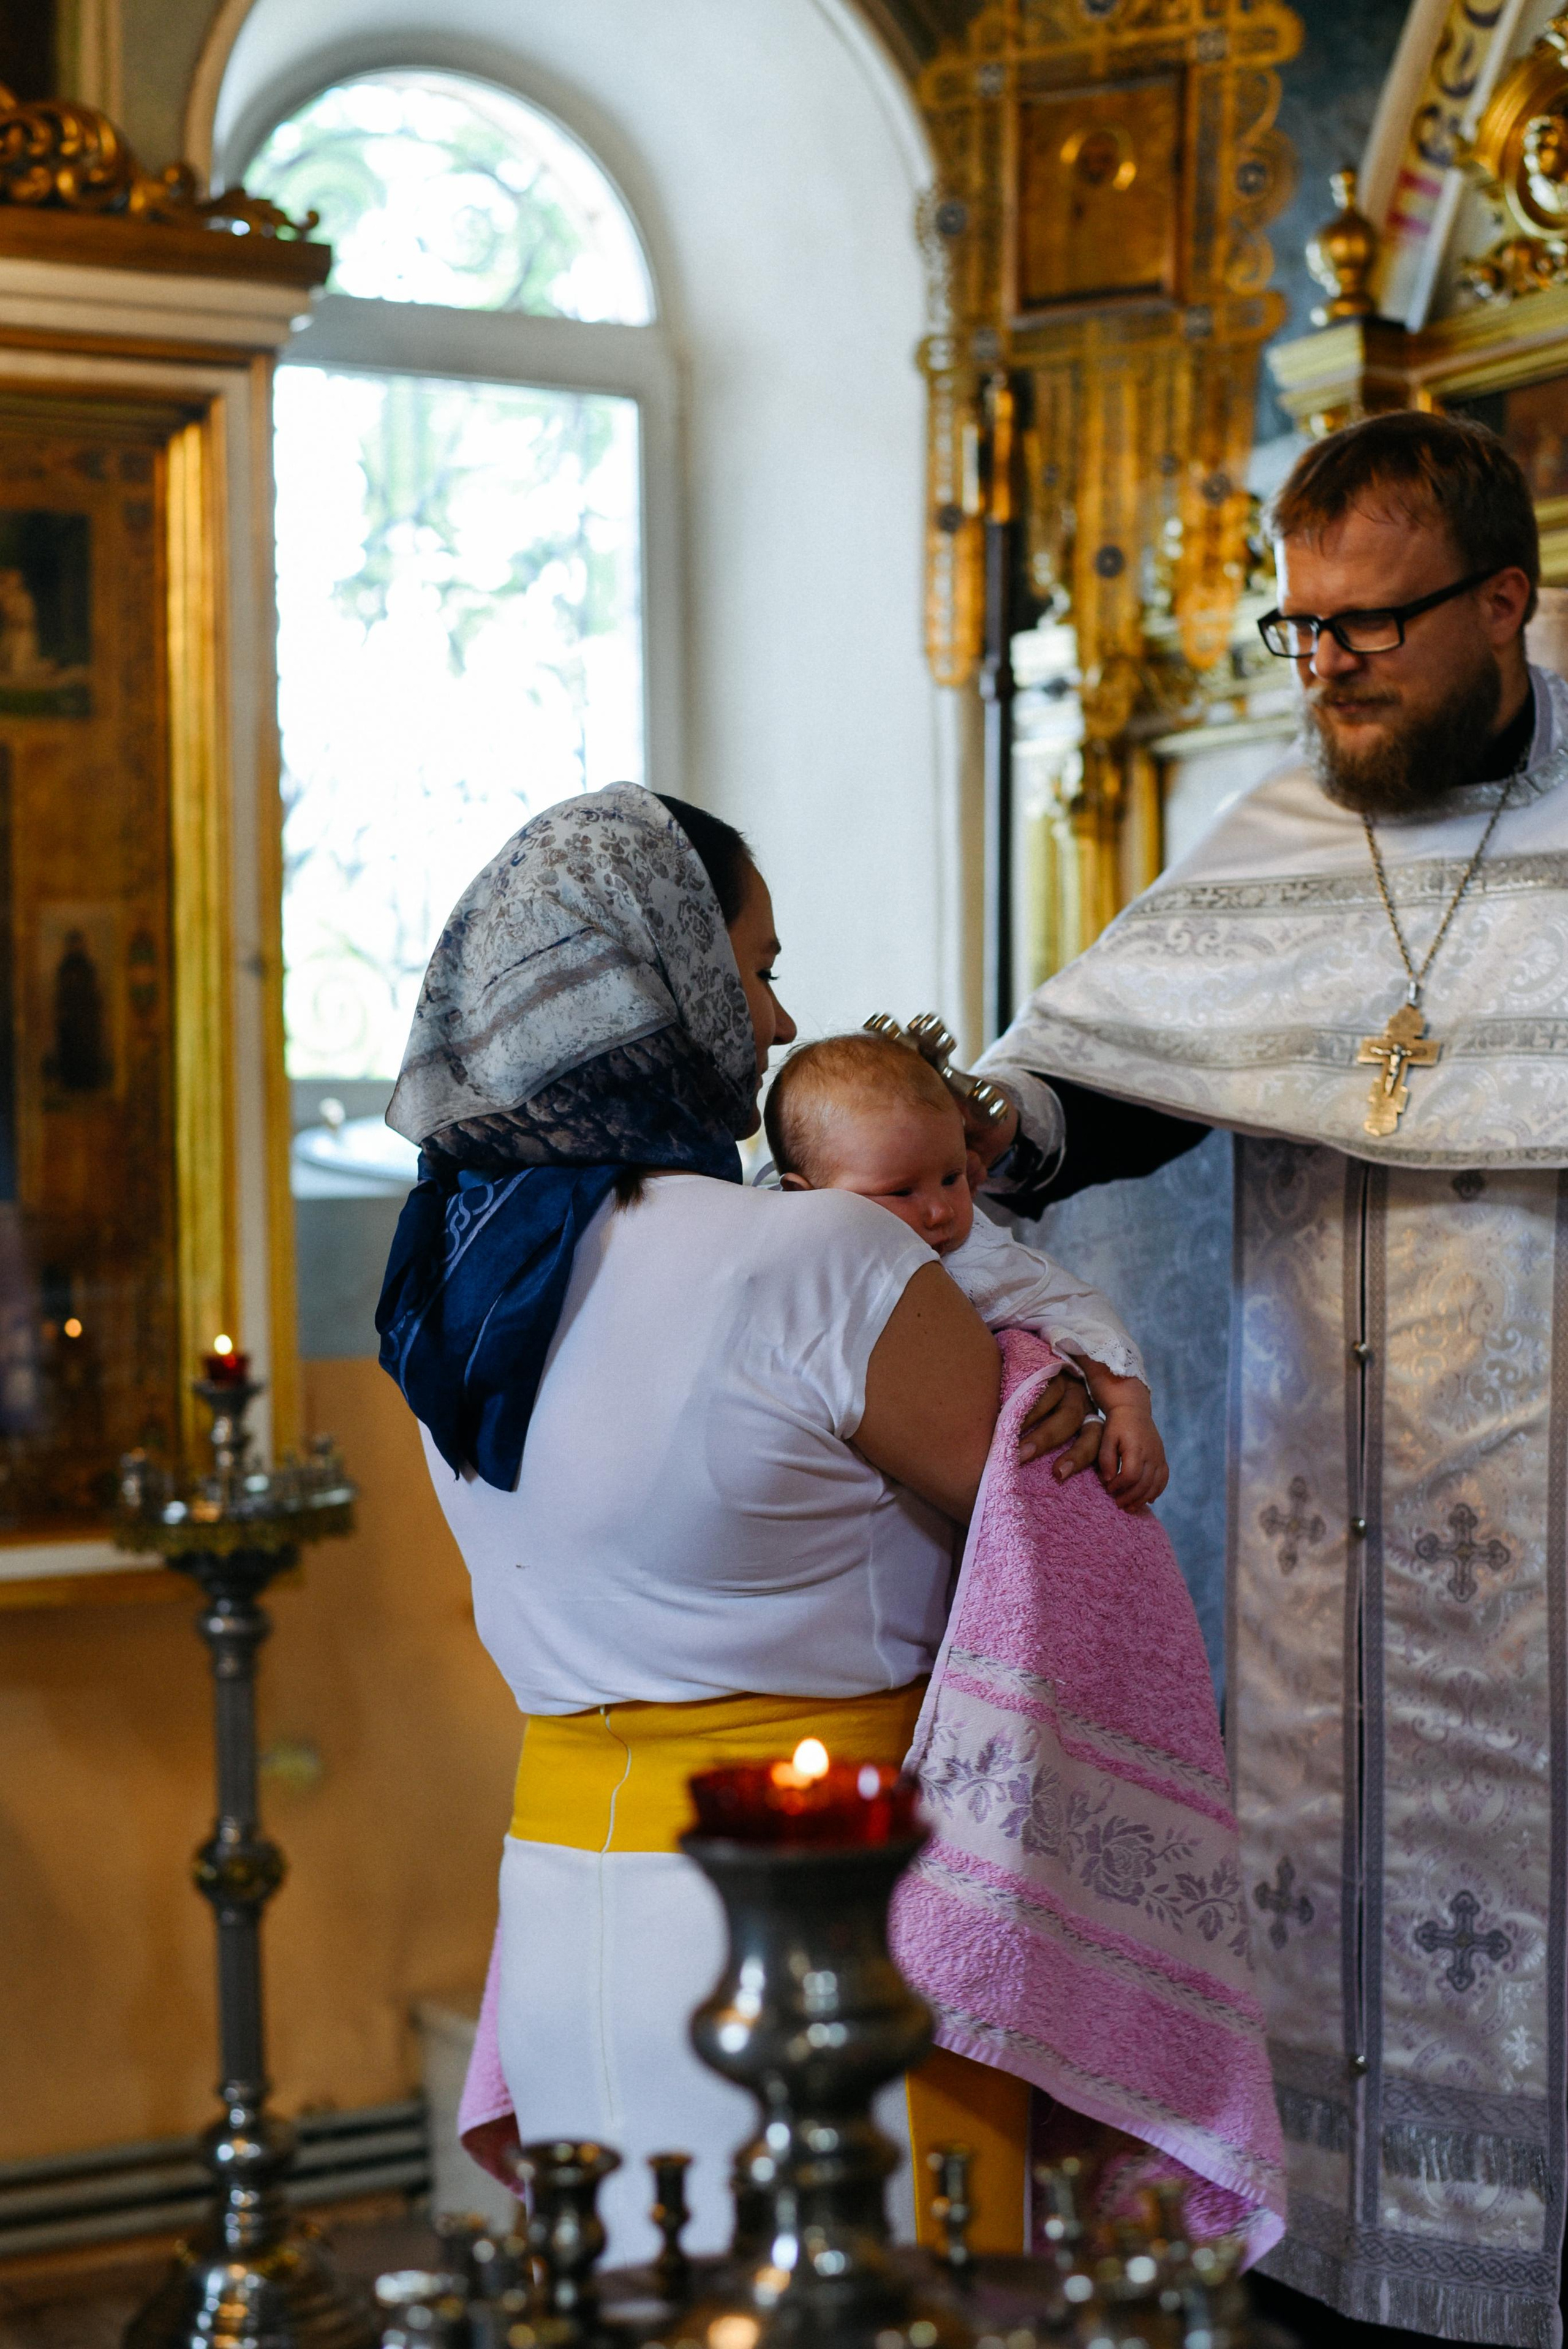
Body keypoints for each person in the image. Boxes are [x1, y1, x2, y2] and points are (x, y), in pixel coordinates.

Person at [962, 410, 1568, 2348]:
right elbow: (1102, 1084)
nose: (1325, 670)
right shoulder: (1282, 837)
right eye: (1300, 628)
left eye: (1370, 626)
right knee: (1324, 1948)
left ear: (1505, 601)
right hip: (1319, 1567)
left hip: (1544, 1570)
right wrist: (982, 1125)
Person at [375, 782, 1098, 2261]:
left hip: (568, 1896)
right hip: (828, 1923)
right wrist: (1088, 1375)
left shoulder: (453, 1271)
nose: (774, 1023)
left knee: (634, 2300)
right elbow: (1051, 1508)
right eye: (754, 971)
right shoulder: (817, 1253)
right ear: (662, 975)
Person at [764, 1030, 1167, 1510]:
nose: (940, 1212)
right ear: (803, 1197)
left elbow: (1076, 1306)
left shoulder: (976, 1255)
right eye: (901, 1192)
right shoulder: (780, 1267)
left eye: (952, 1178)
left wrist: (1126, 1407)